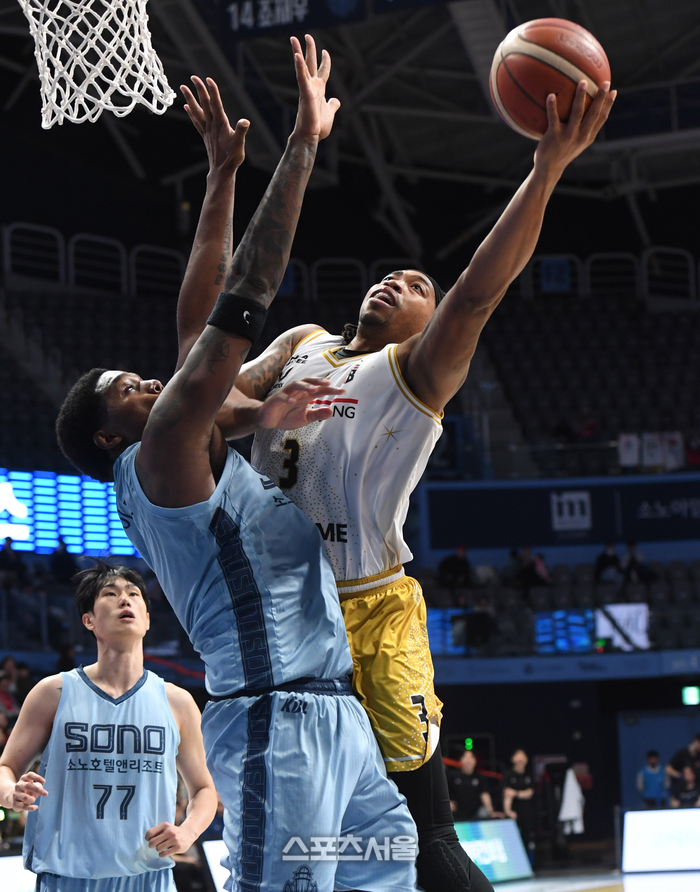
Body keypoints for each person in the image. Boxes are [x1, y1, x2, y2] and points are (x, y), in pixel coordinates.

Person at [174, 66, 615, 892]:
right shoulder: (304, 343)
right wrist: (264, 411)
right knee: (316, 840)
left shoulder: (414, 372)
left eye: (417, 287)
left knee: (425, 835)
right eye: (393, 275)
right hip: (279, 608)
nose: (396, 282)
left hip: (367, 608)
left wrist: (546, 168)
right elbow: (207, 401)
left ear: (427, 320)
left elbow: (477, 294)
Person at [54, 37, 417, 892]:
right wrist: (303, 145)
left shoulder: (185, 441)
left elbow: (195, 326)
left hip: (335, 716)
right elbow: (238, 293)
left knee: (385, 872)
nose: (147, 381)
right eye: (127, 390)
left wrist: (221, 175)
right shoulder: (164, 453)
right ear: (110, 437)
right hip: (272, 724)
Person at [0, 562, 217, 892]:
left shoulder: (178, 702)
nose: (124, 599)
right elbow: (6, 767)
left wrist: (187, 832)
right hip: (68, 879)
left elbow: (204, 790)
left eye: (133, 594)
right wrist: (10, 793)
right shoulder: (52, 692)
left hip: (149, 879)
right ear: (88, 620)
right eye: (111, 594)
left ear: (147, 619)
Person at [448, 749, 500, 822]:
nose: (468, 761)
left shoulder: (479, 777)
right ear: (461, 760)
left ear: (475, 761)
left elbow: (484, 794)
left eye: (471, 758)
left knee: (484, 812)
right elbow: (444, 792)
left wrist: (491, 811)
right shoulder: (452, 775)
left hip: (475, 812)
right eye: (466, 757)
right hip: (456, 811)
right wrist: (448, 803)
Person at [502, 749, 536, 854]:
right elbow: (507, 794)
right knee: (513, 839)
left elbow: (529, 792)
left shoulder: (529, 774)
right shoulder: (508, 775)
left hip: (528, 812)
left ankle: (529, 860)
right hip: (514, 813)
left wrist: (516, 793)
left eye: (523, 756)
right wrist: (508, 811)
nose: (521, 759)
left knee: (528, 838)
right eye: (518, 756)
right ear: (513, 759)